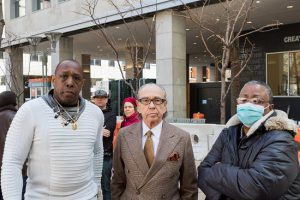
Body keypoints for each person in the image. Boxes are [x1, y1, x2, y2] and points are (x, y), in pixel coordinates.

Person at [1, 59, 104, 200]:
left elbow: (97, 152)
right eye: (64, 76)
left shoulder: (95, 113)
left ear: (83, 83)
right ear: (53, 80)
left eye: (76, 77)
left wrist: (97, 188)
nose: (70, 82)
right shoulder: (30, 110)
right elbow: (12, 162)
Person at [198, 80, 300, 200]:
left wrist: (217, 169)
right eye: (243, 100)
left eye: (256, 101)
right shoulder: (229, 133)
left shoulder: (282, 140)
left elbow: (256, 188)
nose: (248, 104)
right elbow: (203, 172)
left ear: (270, 107)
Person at [111, 83, 198, 199]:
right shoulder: (124, 135)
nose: (152, 106)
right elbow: (117, 180)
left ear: (165, 105)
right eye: (145, 100)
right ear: (138, 106)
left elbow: (189, 187)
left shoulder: (182, 138)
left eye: (157, 100)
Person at [92, 89, 116, 200]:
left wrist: (93, 130)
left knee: (105, 186)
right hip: (89, 155)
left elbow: (107, 132)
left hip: (105, 156)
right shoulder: (88, 113)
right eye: (98, 98)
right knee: (88, 185)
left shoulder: (111, 114)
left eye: (103, 98)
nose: (100, 100)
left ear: (107, 99)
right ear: (94, 99)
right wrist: (99, 131)